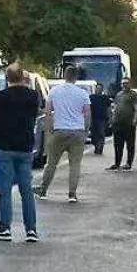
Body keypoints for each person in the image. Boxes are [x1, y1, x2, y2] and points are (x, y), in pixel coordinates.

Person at [0, 63, 42, 243]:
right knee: (26, 190)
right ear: (23, 77)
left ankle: (5, 227)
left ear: (7, 78)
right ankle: (31, 229)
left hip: (5, 148)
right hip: (25, 148)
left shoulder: (1, 97)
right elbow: (33, 117)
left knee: (5, 190)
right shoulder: (33, 97)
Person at [38, 65, 91, 203]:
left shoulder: (54, 92)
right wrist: (86, 131)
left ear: (64, 75)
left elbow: (48, 112)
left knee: (51, 163)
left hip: (60, 131)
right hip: (77, 132)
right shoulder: (83, 94)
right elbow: (87, 114)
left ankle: (43, 190)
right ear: (76, 77)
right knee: (75, 165)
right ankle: (72, 194)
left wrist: (49, 131)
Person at [109, 79, 137, 171]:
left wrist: (135, 119)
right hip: (118, 123)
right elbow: (115, 107)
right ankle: (117, 163)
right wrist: (112, 119)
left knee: (130, 144)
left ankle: (128, 163)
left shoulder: (134, 95)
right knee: (117, 144)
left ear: (130, 84)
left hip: (128, 123)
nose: (125, 85)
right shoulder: (119, 94)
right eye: (123, 83)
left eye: (126, 83)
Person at [89, 84, 110, 155]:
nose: (98, 90)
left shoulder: (105, 98)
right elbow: (88, 108)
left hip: (102, 119)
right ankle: (96, 146)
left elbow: (108, 108)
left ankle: (100, 148)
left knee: (101, 134)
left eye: (100, 89)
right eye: (97, 89)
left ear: (102, 90)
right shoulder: (91, 97)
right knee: (93, 134)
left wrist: (110, 118)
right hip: (93, 118)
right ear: (95, 89)